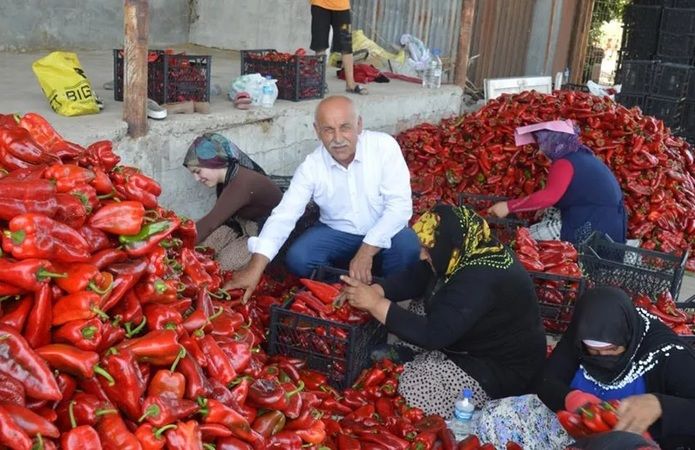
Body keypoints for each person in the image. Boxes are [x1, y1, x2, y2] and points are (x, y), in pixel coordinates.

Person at [340, 204, 546, 418]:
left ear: (450, 245)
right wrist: (379, 290)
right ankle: (418, 353)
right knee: (430, 289)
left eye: (427, 249)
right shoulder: (466, 248)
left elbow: (433, 334)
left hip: (498, 367)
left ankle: (435, 366)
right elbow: (418, 275)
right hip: (470, 333)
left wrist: (375, 304)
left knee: (413, 391)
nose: (421, 255)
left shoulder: (479, 278)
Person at [227, 95, 421, 301]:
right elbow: (284, 215)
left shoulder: (383, 147)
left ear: (359, 125)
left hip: (383, 232)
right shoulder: (312, 167)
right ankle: (345, 287)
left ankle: (383, 291)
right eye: (328, 129)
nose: (337, 138)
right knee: (299, 258)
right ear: (316, 131)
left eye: (345, 127)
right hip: (337, 233)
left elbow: (399, 208)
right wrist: (255, 268)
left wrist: (366, 252)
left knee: (407, 246)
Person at [472, 286, 695, 448]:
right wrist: (574, 399)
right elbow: (546, 381)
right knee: (499, 414)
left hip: (637, 443)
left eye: (611, 350)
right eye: (594, 352)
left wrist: (661, 405)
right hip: (579, 430)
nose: (602, 357)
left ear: (627, 337)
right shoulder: (583, 333)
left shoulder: (667, 354)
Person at [488, 120, 626, 245]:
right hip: (608, 219)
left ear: (555, 142)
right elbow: (565, 192)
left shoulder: (564, 163)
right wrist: (542, 205)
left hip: (594, 220)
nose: (541, 149)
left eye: (543, 142)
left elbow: (549, 196)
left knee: (525, 241)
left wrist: (508, 207)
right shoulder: (579, 156)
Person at [183, 133, 282, 269]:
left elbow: (211, 222)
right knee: (204, 248)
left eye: (198, 171)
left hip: (265, 231)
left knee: (223, 264)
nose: (196, 178)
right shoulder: (228, 176)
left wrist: (177, 243)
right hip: (241, 224)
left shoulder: (241, 183)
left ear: (214, 162)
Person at [310, 0, 368, 95]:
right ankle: (320, 83)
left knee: (346, 45)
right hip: (319, 4)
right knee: (320, 45)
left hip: (342, 7)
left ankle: (350, 84)